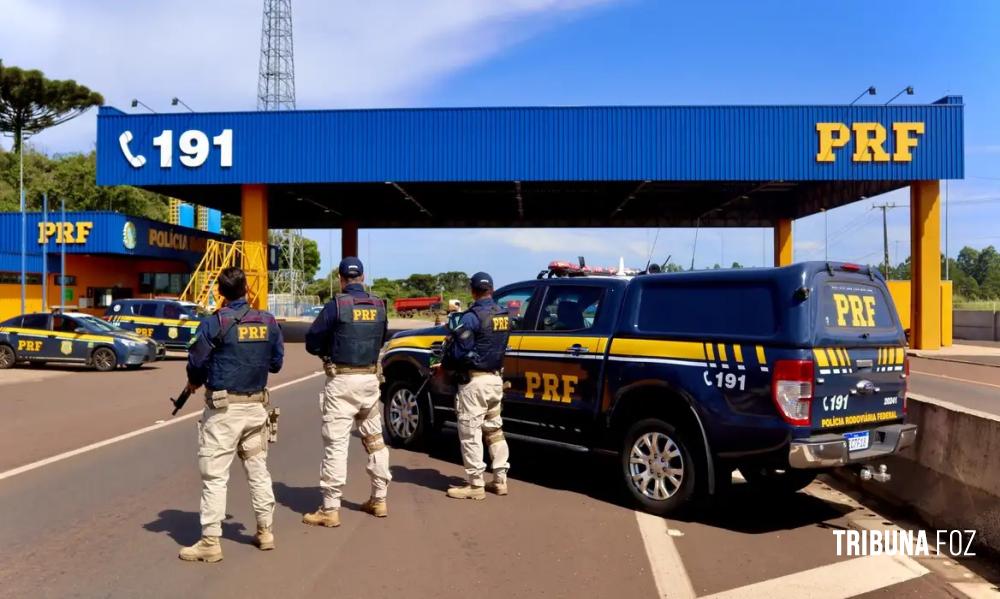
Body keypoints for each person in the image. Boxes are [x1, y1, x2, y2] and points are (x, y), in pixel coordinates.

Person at [179, 267, 284, 563]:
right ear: (247, 289)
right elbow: (276, 363)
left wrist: (195, 380)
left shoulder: (215, 322)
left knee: (215, 476)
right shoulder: (268, 321)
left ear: (220, 293)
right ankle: (265, 532)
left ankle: (210, 542)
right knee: (258, 470)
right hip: (256, 408)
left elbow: (196, 362)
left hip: (224, 412)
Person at [302, 257, 391, 527]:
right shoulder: (379, 305)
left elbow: (312, 340)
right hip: (370, 380)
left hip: (342, 381)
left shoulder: (337, 305)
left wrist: (327, 350)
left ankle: (330, 508)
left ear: (341, 279)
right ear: (362, 277)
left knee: (336, 444)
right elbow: (382, 337)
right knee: (375, 440)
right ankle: (379, 498)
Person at [443, 272, 512, 500]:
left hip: (475, 383)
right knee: (494, 431)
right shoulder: (503, 314)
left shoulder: (472, 317)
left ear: (473, 291)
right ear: (491, 289)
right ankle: (500, 480)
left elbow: (458, 352)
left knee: (470, 433)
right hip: (495, 380)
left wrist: (448, 352)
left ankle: (475, 485)